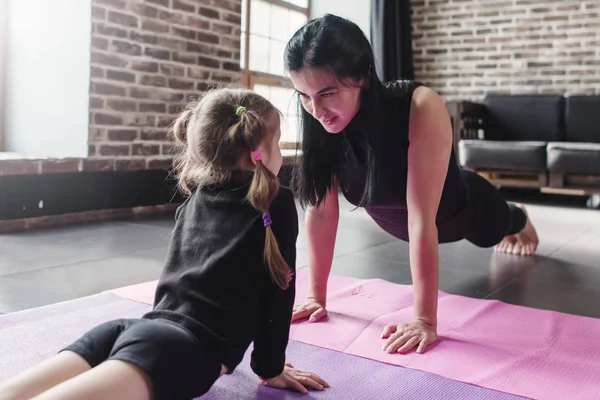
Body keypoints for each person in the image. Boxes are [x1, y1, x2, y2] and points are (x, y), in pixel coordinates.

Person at [0, 88, 328, 400]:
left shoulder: (194, 199)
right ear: (257, 151)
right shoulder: (277, 201)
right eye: (277, 141)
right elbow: (278, 297)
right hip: (179, 350)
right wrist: (270, 369)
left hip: (129, 329)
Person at [285, 14, 539, 355]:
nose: (316, 109)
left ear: (362, 75)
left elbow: (422, 219)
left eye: (327, 93)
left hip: (458, 210)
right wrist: (316, 296)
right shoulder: (320, 121)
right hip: (399, 222)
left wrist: (425, 320)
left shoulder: (419, 106)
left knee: (495, 227)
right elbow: (322, 212)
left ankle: (518, 215)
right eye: (303, 95)